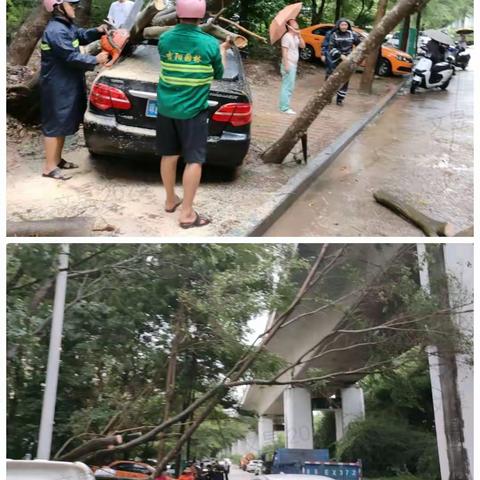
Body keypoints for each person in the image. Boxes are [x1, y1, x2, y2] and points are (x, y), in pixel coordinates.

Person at [156, 0, 231, 229]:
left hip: (166, 108)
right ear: (201, 16)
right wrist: (222, 51)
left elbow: (168, 59)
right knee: (194, 160)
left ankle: (171, 200)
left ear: (177, 14)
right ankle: (187, 214)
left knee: (168, 155)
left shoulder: (165, 38)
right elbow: (219, 73)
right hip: (193, 111)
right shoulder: (208, 43)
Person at [40, 0, 108, 180]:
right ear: (58, 8)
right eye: (71, 4)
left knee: (62, 122)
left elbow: (81, 35)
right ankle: (49, 167)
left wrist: (97, 31)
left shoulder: (66, 27)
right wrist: (96, 59)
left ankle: (57, 160)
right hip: (57, 85)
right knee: (54, 125)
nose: (75, 7)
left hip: (67, 82)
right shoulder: (55, 31)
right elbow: (70, 56)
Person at [321, 18, 361, 106]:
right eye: (342, 24)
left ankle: (340, 99)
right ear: (338, 25)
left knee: (345, 79)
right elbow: (331, 47)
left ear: (348, 26)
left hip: (348, 60)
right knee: (331, 78)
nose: (344, 26)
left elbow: (360, 45)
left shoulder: (352, 34)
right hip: (334, 60)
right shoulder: (333, 35)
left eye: (345, 25)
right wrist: (340, 55)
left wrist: (354, 56)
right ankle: (328, 97)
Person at [279, 18, 305, 114]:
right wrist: (286, 65)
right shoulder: (286, 37)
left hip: (294, 64)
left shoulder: (295, 36)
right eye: (293, 22)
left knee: (290, 86)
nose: (296, 23)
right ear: (288, 26)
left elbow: (303, 46)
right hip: (288, 63)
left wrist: (299, 35)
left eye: (296, 21)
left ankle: (284, 106)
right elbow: (284, 52)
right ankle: (284, 108)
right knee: (287, 86)